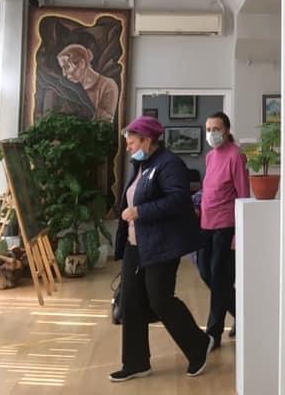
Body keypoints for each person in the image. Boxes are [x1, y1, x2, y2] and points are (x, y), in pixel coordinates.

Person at [110, 115, 212, 383]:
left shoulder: (169, 164)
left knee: (160, 300)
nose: (129, 148)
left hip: (161, 245)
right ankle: (135, 363)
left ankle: (199, 345)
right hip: (135, 244)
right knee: (130, 301)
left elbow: (178, 200)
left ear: (147, 140)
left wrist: (139, 211)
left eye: (132, 143)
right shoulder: (140, 164)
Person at [198, 111, 249, 349]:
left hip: (226, 226)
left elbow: (243, 194)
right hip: (206, 224)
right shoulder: (210, 157)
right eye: (208, 129)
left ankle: (213, 334)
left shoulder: (236, 156)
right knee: (205, 272)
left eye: (216, 129)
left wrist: (239, 232)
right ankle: (243, 313)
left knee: (220, 280)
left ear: (226, 131)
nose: (211, 133)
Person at [56, 43, 119, 121]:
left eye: (66, 67)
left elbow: (104, 122)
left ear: (82, 64)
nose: (64, 74)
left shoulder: (108, 85)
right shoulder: (73, 89)